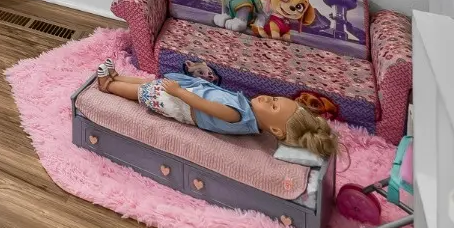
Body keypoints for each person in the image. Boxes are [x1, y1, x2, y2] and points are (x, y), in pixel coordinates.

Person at [91, 59, 339, 159]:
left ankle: (109, 85)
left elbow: (205, 106)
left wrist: (179, 92)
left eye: (273, 105)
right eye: (274, 98)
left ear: (275, 129)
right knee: (151, 83)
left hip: (183, 103)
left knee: (146, 92)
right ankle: (117, 76)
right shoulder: (248, 111)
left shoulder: (238, 115)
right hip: (190, 92)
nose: (267, 99)